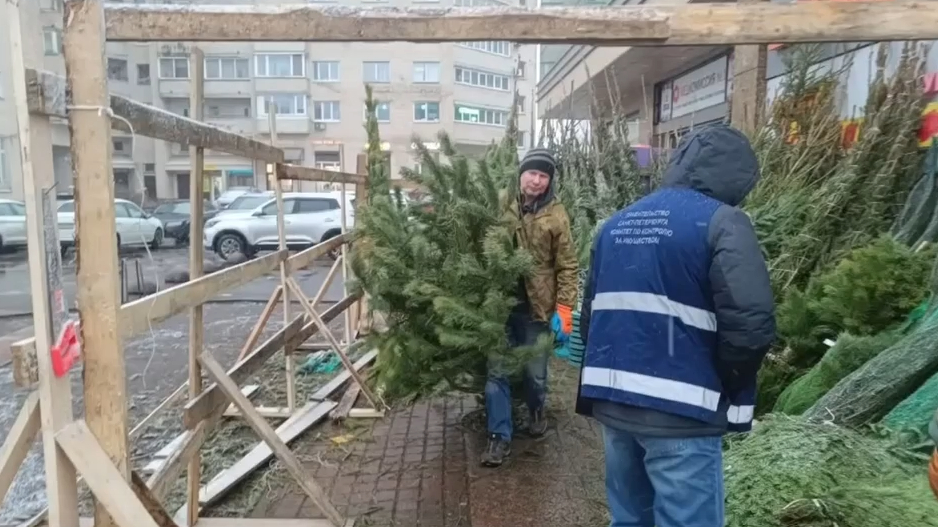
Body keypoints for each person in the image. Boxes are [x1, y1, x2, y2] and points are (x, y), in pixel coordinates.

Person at [576, 123, 776, 527]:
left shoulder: (617, 224)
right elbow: (750, 325)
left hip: (613, 403)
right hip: (682, 411)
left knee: (630, 518)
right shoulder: (724, 221)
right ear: (737, 176)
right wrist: (725, 382)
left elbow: (590, 318)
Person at [481, 148, 579, 467]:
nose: (536, 181)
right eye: (531, 173)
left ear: (549, 180)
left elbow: (568, 266)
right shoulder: (501, 205)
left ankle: (537, 409)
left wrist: (564, 310)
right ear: (520, 174)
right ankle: (499, 436)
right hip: (500, 305)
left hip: (537, 309)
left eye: (543, 175)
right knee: (497, 372)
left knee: (535, 375)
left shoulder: (557, 215)